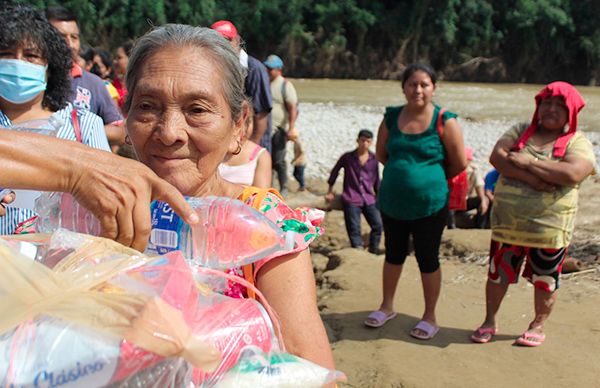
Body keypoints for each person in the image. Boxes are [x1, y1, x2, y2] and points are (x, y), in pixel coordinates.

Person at [123, 23, 335, 370]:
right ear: (126, 117)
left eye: (197, 109)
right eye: (148, 106)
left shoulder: (267, 227)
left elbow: (311, 368)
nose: (169, 132)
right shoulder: (101, 211)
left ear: (239, 126)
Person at [470, 82, 595, 346]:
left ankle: (537, 324)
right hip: (508, 228)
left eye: (559, 106)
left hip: (549, 233)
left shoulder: (577, 141)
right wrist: (536, 179)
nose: (550, 109)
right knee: (497, 275)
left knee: (545, 281)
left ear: (571, 112)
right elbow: (498, 157)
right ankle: (489, 320)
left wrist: (528, 161)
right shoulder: (519, 131)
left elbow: (572, 173)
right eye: (546, 103)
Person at [364, 64, 467, 339]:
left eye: (424, 84)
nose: (418, 90)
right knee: (393, 253)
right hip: (393, 201)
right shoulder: (392, 116)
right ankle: (386, 306)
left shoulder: (445, 120)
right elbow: (383, 154)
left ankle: (430, 316)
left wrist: (427, 178)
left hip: (430, 205)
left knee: (427, 257)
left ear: (434, 88)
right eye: (412, 84)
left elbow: (459, 163)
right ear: (403, 87)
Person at [0, 4, 113, 234]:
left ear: (50, 68)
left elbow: (107, 201)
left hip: (63, 264)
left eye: (31, 56)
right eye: (6, 54)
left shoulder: (84, 126)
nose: (18, 63)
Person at [45, 6, 125, 149]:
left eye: (74, 37)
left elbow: (120, 131)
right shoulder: (31, 82)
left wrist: (82, 130)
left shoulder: (94, 83)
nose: (69, 44)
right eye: (60, 37)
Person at [211, 20, 273, 153]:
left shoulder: (254, 69)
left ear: (238, 41)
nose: (223, 45)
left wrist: (250, 150)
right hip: (228, 144)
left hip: (253, 143)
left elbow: (262, 113)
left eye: (227, 40)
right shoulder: (215, 69)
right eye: (217, 41)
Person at [326, 129, 382, 254]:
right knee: (354, 228)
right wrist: (330, 191)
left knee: (378, 225)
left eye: (368, 141)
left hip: (369, 198)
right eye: (363, 140)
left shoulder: (374, 160)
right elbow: (335, 172)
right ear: (357, 140)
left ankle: (374, 250)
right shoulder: (347, 157)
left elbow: (377, 179)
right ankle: (358, 251)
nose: (365, 144)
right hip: (351, 197)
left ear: (371, 143)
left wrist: (379, 197)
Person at [264, 54, 298, 195]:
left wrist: (291, 128)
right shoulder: (264, 82)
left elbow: (292, 108)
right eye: (267, 68)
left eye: (270, 69)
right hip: (265, 129)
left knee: (278, 160)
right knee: (266, 159)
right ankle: (268, 186)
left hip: (279, 129)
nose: (268, 71)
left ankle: (284, 186)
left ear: (279, 70)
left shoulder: (285, 85)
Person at [218, 104, 272, 188]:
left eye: (247, 121)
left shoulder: (261, 156)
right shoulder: (213, 150)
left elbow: (260, 195)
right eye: (236, 121)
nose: (242, 129)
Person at [447, 147, 489, 229]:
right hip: (452, 201)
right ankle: (451, 225)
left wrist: (483, 201)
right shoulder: (451, 169)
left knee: (483, 200)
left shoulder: (473, 170)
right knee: (449, 200)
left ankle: (480, 226)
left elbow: (479, 185)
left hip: (465, 201)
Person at [112, 40, 133, 111]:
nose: (114, 61)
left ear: (130, 59)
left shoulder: (139, 84)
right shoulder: (112, 86)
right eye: (114, 58)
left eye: (119, 58)